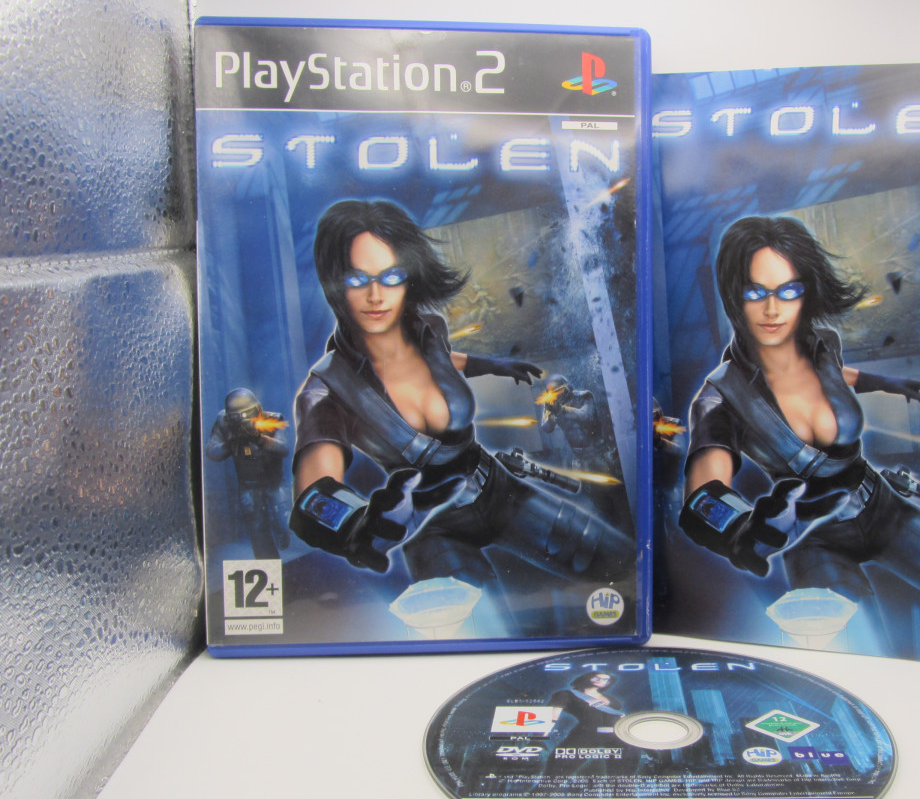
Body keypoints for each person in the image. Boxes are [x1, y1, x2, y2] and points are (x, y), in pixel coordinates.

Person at [288, 198, 631, 590]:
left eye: (391, 276)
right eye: (356, 280)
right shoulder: (327, 388)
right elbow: (313, 493)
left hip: (501, 489)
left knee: (619, 562)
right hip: (433, 529)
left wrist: (495, 365)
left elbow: (444, 361)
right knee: (475, 620)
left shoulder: (428, 329)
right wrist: (362, 525)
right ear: (334, 283)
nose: (376, 295)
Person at [679, 215, 920, 618]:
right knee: (847, 635)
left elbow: (836, 377)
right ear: (733, 296)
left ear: (804, 292)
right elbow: (703, 494)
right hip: (815, 538)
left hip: (884, 506)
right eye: (755, 292)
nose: (772, 309)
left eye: (788, 291)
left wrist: (886, 382)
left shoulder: (823, 346)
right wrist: (748, 528)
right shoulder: (721, 395)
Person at [205, 387, 290, 559]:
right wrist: (231, 443)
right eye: (237, 418)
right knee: (258, 531)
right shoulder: (224, 422)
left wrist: (260, 440)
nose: (244, 422)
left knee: (285, 521)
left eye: (248, 415)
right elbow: (212, 452)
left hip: (274, 482)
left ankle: (281, 532)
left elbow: (283, 448)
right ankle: (268, 566)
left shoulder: (272, 420)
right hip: (249, 486)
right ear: (230, 417)